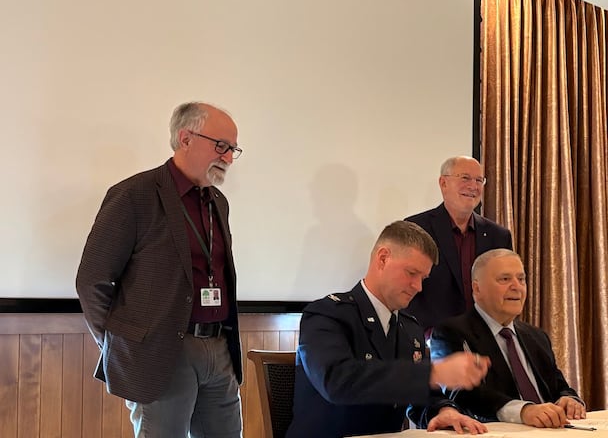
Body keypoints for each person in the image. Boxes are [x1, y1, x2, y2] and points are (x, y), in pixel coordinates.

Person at [76, 102, 245, 437]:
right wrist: (123, 345)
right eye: (221, 146)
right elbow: (92, 280)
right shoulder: (134, 195)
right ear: (185, 138)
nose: (228, 157)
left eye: (233, 149)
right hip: (160, 353)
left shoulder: (217, 202)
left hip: (218, 347)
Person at [287, 220, 492, 438]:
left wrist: (443, 410)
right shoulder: (327, 315)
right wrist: (433, 372)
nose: (418, 287)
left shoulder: (410, 328)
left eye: (423, 278)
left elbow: (420, 394)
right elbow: (337, 381)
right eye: (411, 273)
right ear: (383, 258)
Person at [430, 249, 586, 429]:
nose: (516, 286)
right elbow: (463, 395)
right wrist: (523, 411)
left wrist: (569, 399)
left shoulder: (536, 336)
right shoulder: (452, 332)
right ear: (477, 288)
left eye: (521, 279)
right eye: (505, 279)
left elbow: (559, 385)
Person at [405, 156, 513, 331]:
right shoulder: (416, 229)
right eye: (465, 178)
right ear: (443, 183)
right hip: (431, 339)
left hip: (484, 338)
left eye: (479, 180)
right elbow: (405, 288)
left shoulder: (498, 236)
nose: (473, 186)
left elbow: (506, 291)